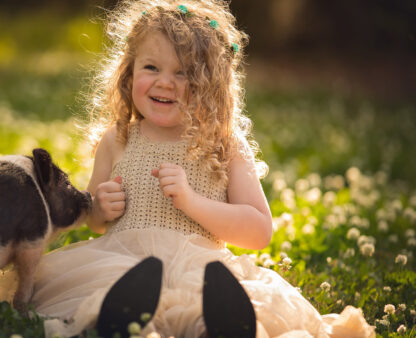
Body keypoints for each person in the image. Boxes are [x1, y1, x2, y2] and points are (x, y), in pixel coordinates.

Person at [30, 1, 375, 337]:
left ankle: (217, 327)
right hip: (121, 264)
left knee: (203, 304)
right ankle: (127, 323)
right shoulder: (117, 139)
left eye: (183, 73)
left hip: (200, 270)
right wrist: (99, 208)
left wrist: (192, 201)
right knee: (111, 294)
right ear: (129, 70)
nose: (166, 82)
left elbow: (259, 231)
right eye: (152, 68)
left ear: (211, 84)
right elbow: (95, 220)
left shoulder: (224, 145)